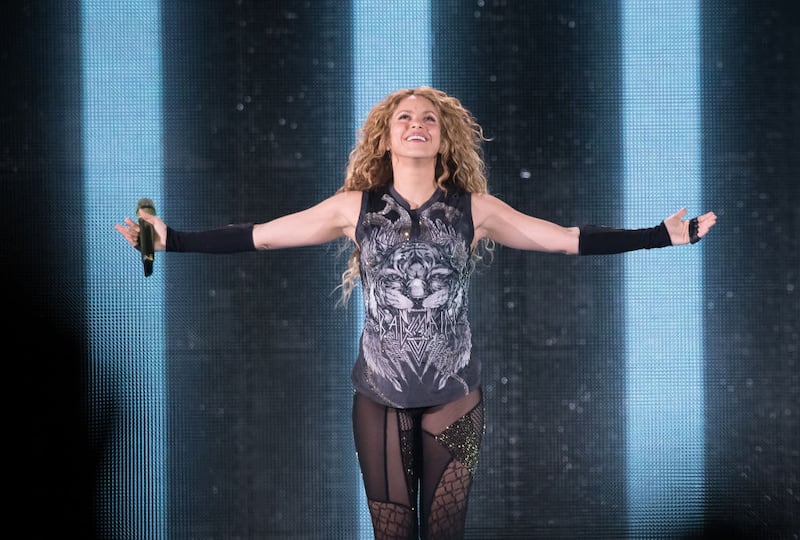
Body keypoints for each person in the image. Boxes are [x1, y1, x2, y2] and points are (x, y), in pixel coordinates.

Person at [115, 86, 717, 540]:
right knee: (393, 533)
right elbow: (264, 237)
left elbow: (563, 239)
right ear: (385, 138)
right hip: (378, 397)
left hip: (455, 395)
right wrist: (175, 240)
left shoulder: (476, 209)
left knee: (445, 531)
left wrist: (659, 236)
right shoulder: (353, 207)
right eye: (405, 117)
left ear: (443, 138)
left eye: (429, 118)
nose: (417, 123)